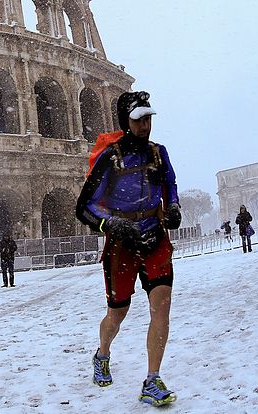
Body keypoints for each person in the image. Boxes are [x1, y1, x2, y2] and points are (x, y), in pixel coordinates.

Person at [76, 91, 180, 407]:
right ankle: (102, 352)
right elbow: (84, 207)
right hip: (121, 244)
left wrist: (174, 208)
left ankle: (152, 379)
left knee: (161, 307)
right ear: (126, 122)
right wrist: (110, 225)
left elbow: (170, 187)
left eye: (148, 118)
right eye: (138, 120)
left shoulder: (159, 154)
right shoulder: (111, 158)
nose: (145, 125)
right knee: (117, 313)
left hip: (154, 237)